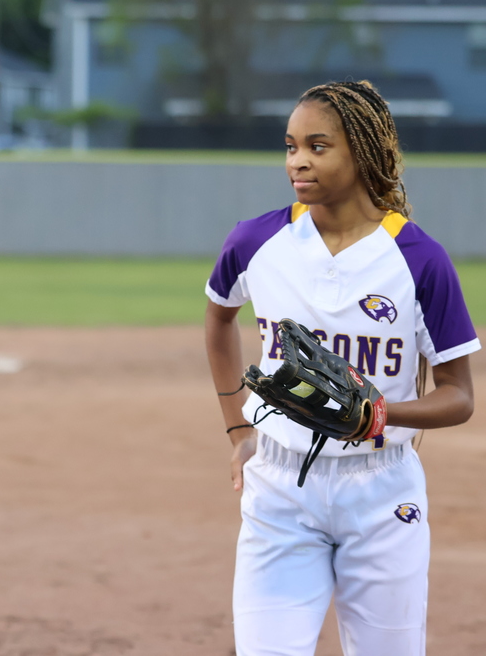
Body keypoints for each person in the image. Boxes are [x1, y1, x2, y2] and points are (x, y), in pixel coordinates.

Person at [204, 80, 478, 656]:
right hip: (279, 488)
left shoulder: (418, 261)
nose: (297, 160)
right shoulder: (257, 240)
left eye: (318, 146)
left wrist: (378, 415)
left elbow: (458, 396)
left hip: (382, 491)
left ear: (363, 153)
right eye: (290, 145)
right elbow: (219, 319)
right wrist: (238, 431)